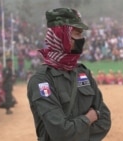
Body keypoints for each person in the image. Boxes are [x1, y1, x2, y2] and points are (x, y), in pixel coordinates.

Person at [27, 8, 111, 141]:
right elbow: (60, 133)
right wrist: (88, 118)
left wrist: (75, 132)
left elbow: (104, 120)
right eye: (77, 34)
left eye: (81, 34)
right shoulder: (42, 80)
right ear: (61, 36)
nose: (81, 39)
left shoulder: (83, 72)